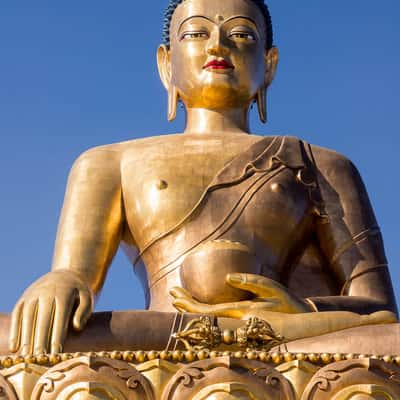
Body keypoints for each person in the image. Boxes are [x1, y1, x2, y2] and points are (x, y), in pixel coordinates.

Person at [8, 0, 397, 356]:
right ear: (166, 63)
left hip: (278, 333)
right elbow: (77, 274)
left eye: (241, 34)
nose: (217, 47)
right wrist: (62, 281)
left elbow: (378, 308)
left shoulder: (320, 164)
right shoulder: (110, 162)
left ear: (270, 63)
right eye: (196, 33)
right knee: (15, 335)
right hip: (165, 330)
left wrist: (298, 312)